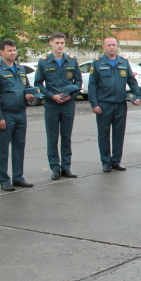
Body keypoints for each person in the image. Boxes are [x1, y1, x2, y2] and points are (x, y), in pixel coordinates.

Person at [88, 37, 141, 172]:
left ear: (117, 46)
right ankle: (106, 162)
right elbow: (92, 85)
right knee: (103, 134)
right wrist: (94, 104)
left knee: (119, 134)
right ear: (103, 47)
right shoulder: (97, 63)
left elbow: (131, 80)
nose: (111, 47)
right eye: (109, 45)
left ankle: (116, 161)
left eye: (114, 45)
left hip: (120, 104)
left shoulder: (123, 62)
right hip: (104, 105)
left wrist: (138, 96)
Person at [0, 40, 35, 192]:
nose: (13, 53)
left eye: (14, 50)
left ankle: (18, 177)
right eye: (9, 50)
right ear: (1, 52)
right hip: (6, 114)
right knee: (2, 149)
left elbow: (27, 88)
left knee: (19, 147)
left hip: (20, 113)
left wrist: (29, 96)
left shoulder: (20, 69)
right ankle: (4, 179)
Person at [34, 32, 83, 180]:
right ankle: (55, 167)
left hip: (68, 105)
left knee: (66, 137)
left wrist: (71, 96)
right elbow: (38, 84)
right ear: (51, 44)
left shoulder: (72, 61)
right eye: (57, 43)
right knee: (52, 138)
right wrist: (51, 96)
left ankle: (66, 167)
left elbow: (78, 82)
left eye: (62, 43)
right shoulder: (43, 62)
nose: (60, 45)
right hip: (52, 105)